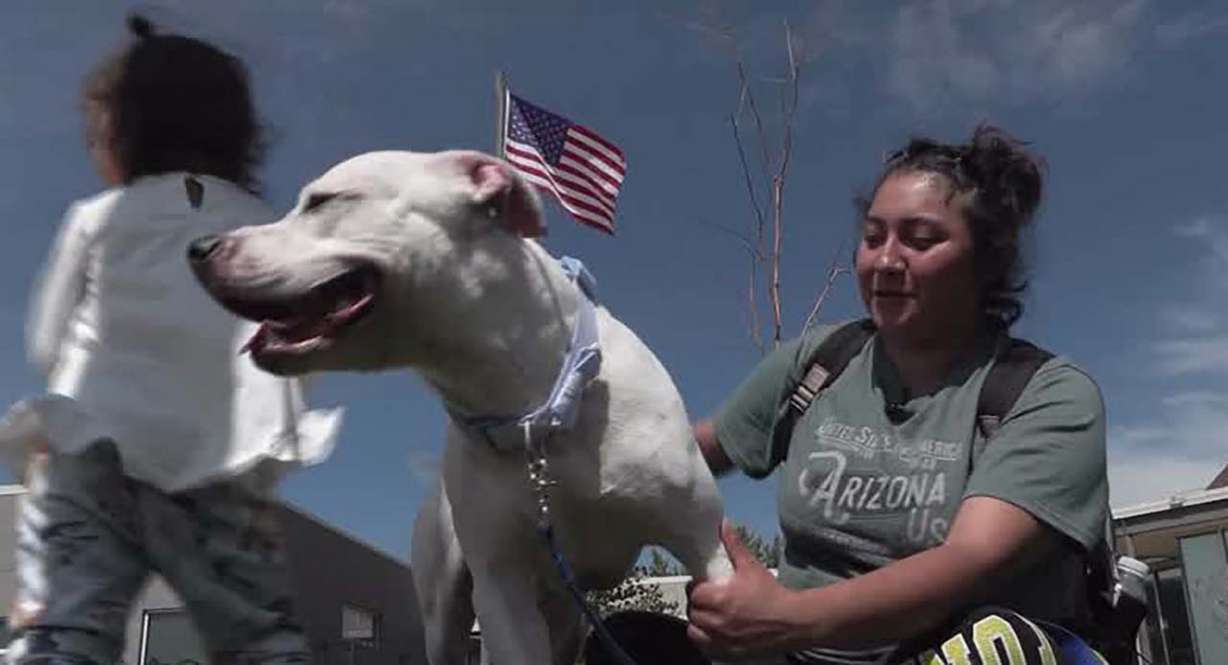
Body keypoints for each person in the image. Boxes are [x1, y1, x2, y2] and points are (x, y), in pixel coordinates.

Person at [686, 126, 1110, 664]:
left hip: (948, 651)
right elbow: (690, 452)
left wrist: (788, 620)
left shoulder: (1048, 394)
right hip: (797, 652)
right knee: (629, 640)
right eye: (872, 237)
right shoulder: (820, 362)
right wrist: (570, 445)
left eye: (920, 239)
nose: (886, 261)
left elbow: (968, 560)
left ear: (986, 261)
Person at [0, 16, 341, 665]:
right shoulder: (265, 229)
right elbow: (297, 352)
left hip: (97, 451)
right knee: (261, 636)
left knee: (69, 626)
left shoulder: (95, 219)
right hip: (223, 463)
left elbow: (48, 341)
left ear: (119, 137)